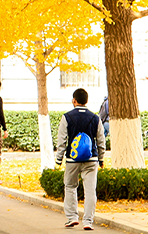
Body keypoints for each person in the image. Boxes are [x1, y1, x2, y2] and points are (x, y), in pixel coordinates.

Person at [55, 88, 106, 231]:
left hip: (72, 160)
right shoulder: (95, 118)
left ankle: (72, 218)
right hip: (91, 159)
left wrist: (59, 160)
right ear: (86, 101)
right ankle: (88, 221)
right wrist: (101, 158)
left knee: (70, 187)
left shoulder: (67, 117)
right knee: (90, 190)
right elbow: (101, 140)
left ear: (74, 100)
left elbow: (62, 140)